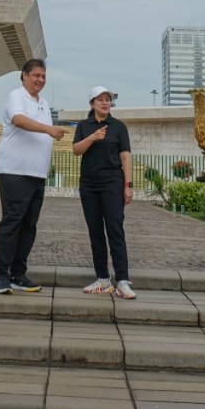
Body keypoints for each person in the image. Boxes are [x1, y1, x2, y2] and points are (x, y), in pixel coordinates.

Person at [0, 58, 65, 294]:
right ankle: (1, 276)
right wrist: (49, 130)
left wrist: (46, 164)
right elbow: (19, 120)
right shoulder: (17, 96)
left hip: (36, 174)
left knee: (29, 226)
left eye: (43, 76)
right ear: (24, 75)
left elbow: (44, 140)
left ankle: (18, 273)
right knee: (12, 222)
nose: (40, 80)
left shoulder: (43, 103)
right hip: (14, 171)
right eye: (36, 75)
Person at [72, 85, 135, 299]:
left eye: (108, 99)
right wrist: (93, 137)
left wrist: (128, 186)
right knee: (95, 232)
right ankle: (102, 279)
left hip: (112, 184)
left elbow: (125, 157)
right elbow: (75, 150)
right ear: (92, 104)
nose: (105, 103)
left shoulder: (118, 127)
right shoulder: (84, 126)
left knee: (115, 230)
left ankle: (123, 280)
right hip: (89, 185)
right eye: (100, 99)